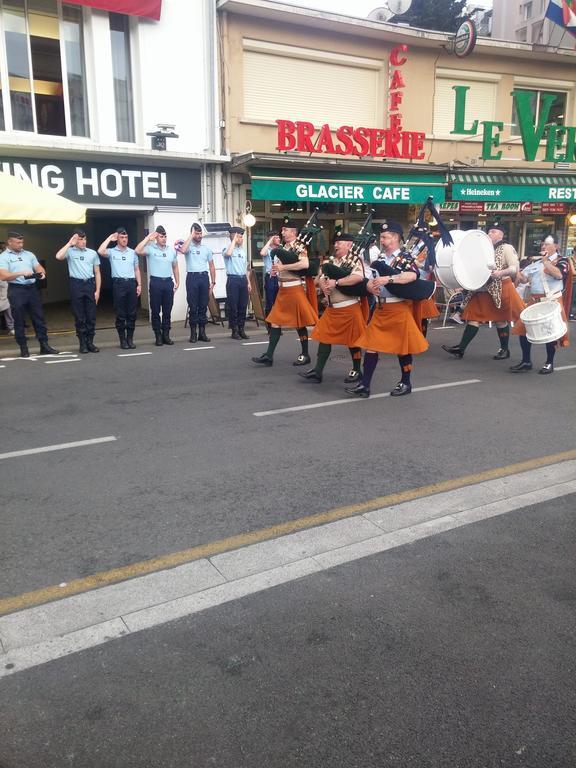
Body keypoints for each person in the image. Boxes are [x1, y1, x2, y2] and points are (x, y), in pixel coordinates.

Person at [346, 222, 428, 398]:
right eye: (381, 237)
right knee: (370, 346)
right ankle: (365, 385)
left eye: (385, 237)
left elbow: (412, 276)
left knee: (402, 348)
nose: (381, 240)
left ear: (396, 238)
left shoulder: (405, 257)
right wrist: (370, 287)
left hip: (398, 307)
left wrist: (388, 279)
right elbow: (369, 277)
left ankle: (406, 382)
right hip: (381, 308)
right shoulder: (381, 258)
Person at [442, 223, 523, 360]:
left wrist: (500, 272)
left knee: (501, 320)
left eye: (493, 231)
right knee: (473, 318)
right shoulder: (483, 249)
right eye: (489, 231)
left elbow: (514, 268)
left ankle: (504, 349)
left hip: (500, 287)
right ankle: (460, 349)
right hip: (481, 288)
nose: (489, 234)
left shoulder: (506, 248)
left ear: (501, 234)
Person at [299, 231, 366, 384]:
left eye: (339, 243)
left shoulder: (355, 260)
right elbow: (318, 279)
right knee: (324, 337)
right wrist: (323, 285)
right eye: (335, 243)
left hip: (349, 307)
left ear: (349, 245)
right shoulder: (331, 261)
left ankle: (356, 370)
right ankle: (317, 371)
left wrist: (337, 283)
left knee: (353, 341)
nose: (335, 245)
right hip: (332, 309)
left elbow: (358, 277)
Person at [252, 218, 318, 367]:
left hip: (294, 289)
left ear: (293, 232)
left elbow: (304, 264)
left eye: (285, 230)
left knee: (299, 323)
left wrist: (283, 268)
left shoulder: (299, 246)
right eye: (283, 230)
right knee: (275, 322)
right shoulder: (285, 247)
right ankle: (269, 356)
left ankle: (305, 354)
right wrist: (277, 270)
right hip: (283, 289)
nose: (282, 232)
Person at [510, 235, 572, 374]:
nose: (543, 246)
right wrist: (517, 274)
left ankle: (549, 362)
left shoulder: (562, 261)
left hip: (551, 301)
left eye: (547, 244)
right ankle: (526, 361)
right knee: (523, 330)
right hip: (534, 301)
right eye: (542, 244)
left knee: (550, 333)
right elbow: (525, 279)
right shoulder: (535, 263)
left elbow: (559, 275)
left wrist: (545, 262)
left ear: (556, 246)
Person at [0, 231, 59, 358]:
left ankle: (44, 345)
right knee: (19, 320)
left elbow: (38, 267)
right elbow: (3, 275)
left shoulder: (29, 254)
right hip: (16, 290)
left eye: (22, 242)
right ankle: (23, 347)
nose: (21, 244)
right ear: (9, 242)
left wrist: (41, 273)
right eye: (18, 242)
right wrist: (20, 273)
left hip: (32, 289)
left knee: (39, 318)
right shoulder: (4, 257)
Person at [55, 229, 101, 353]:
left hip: (89, 284)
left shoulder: (92, 253)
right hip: (76, 284)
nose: (83, 242)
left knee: (91, 316)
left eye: (84, 239)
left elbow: (97, 272)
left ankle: (90, 342)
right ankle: (82, 343)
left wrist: (97, 290)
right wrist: (70, 243)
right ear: (75, 241)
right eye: (80, 239)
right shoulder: (70, 251)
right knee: (79, 316)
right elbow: (58, 256)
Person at [135, 225, 179, 346]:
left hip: (168, 283)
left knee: (167, 310)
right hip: (156, 283)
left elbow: (175, 266)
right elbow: (137, 250)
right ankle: (158, 336)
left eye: (165, 236)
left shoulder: (171, 251)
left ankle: (166, 335)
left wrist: (177, 281)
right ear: (156, 237)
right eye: (161, 236)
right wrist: (148, 237)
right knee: (155, 310)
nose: (164, 238)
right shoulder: (150, 248)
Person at [98, 227, 141, 350]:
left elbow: (136, 269)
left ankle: (130, 339)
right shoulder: (112, 251)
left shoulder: (132, 252)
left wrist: (139, 284)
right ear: (117, 239)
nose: (124, 240)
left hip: (131, 284)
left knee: (132, 313)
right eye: (122, 237)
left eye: (126, 237)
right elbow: (100, 251)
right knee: (120, 314)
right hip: (118, 284)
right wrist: (109, 238)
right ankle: (122, 340)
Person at [180, 223, 215, 343]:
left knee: (203, 306)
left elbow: (211, 266)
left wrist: (213, 282)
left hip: (204, 278)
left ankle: (202, 333)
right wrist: (191, 236)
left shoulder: (206, 249)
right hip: (192, 278)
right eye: (196, 233)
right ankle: (193, 333)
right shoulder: (188, 247)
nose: (199, 236)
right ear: (192, 234)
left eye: (200, 233)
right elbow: (183, 250)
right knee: (193, 307)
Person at [222, 226, 251, 340]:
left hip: (242, 279)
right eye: (239, 236)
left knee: (243, 306)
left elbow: (245, 268)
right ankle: (234, 331)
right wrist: (234, 240)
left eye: (241, 237)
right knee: (233, 306)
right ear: (233, 237)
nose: (241, 239)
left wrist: (248, 282)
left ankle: (241, 329)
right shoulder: (227, 249)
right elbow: (228, 254)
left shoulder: (242, 251)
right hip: (233, 280)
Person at [260, 229, 281, 326]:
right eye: (276, 237)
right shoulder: (267, 250)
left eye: (278, 237)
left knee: (278, 303)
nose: (279, 239)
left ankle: (277, 324)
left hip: (279, 277)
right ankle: (269, 325)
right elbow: (262, 253)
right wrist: (269, 241)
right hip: (270, 277)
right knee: (270, 302)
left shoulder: (280, 250)